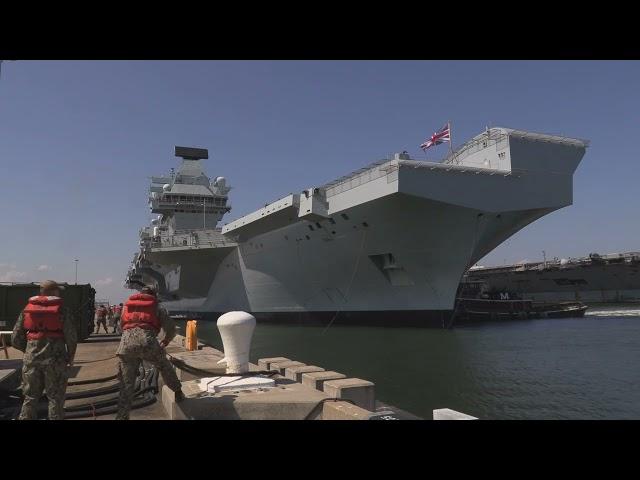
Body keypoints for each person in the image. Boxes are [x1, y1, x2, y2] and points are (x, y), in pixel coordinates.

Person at [11, 280, 77, 420]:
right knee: (55, 398)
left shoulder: (27, 310)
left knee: (30, 398)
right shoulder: (63, 310)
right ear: (53, 292)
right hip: (56, 361)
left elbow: (15, 338)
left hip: (31, 360)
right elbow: (71, 337)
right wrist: (70, 356)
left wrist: (29, 351)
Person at [115, 286, 184, 420]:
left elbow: (120, 326)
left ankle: (122, 416)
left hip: (126, 345)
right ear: (154, 295)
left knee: (126, 383)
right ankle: (178, 392)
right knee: (164, 366)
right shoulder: (157, 307)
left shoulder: (126, 305)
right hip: (148, 343)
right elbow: (171, 328)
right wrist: (166, 341)